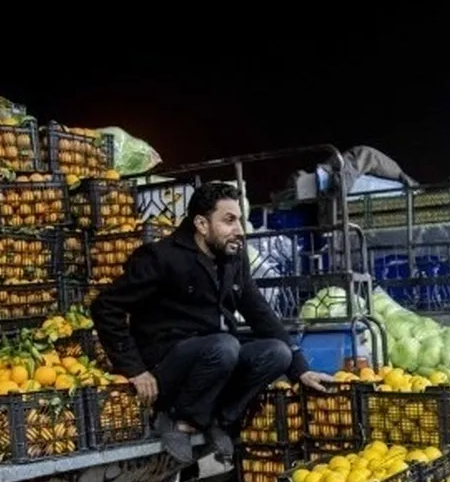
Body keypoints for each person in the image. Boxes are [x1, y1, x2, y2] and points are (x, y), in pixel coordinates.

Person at [92, 182, 332, 464]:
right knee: (225, 346)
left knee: (276, 352)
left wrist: (299, 369)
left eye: (239, 220)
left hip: (214, 361)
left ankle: (218, 419)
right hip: (168, 365)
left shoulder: (232, 257)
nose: (239, 230)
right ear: (202, 224)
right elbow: (105, 306)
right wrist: (134, 369)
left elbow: (259, 311)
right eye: (229, 220)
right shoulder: (160, 257)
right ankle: (175, 419)